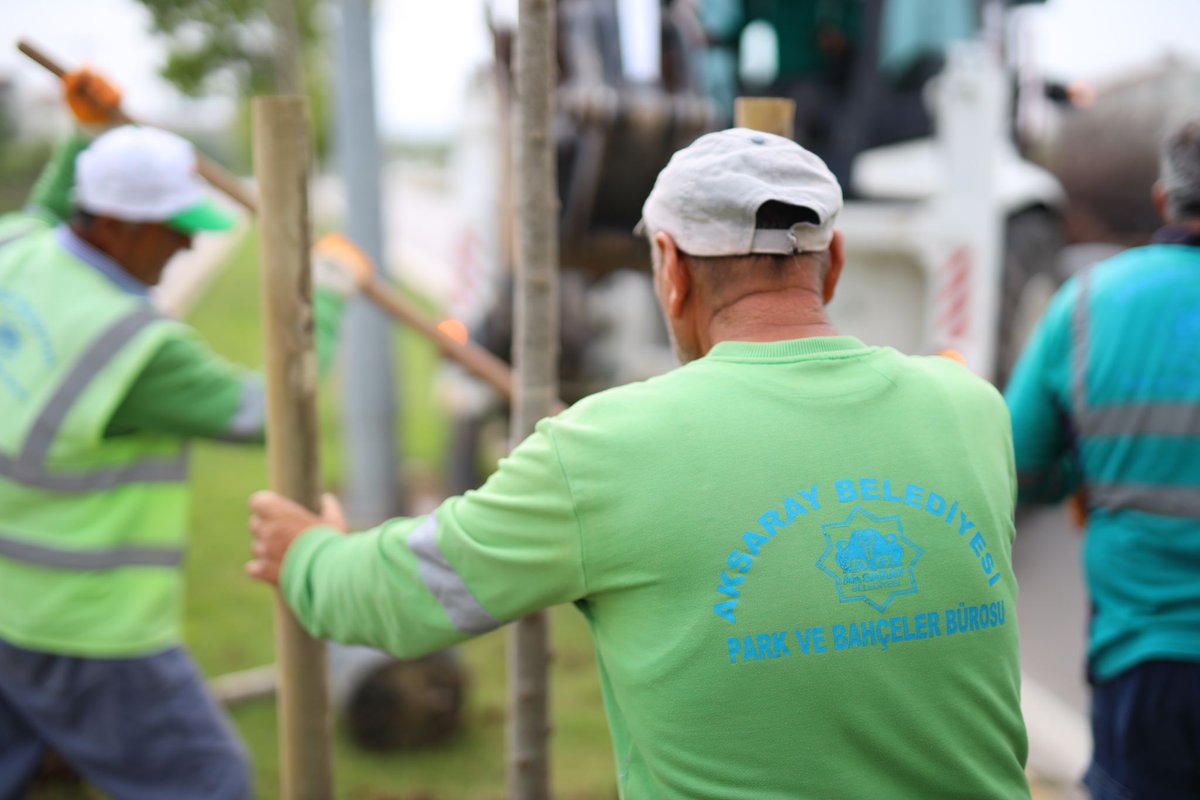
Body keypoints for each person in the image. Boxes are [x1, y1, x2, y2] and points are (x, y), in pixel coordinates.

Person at [249, 128, 1030, 798]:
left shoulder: (604, 451)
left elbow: (406, 596)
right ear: (835, 262)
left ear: (671, 266)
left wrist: (307, 555)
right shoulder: (970, 408)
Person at [0, 71, 365, 799]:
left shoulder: (16, 247)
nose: (185, 248)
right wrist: (325, 295)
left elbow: (48, 207)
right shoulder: (130, 347)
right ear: (118, 226)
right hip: (86, 626)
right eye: (174, 230)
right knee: (210, 784)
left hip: (10, 598)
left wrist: (84, 133)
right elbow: (270, 410)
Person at [1005, 118, 1200, 799]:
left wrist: (1082, 474)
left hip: (1144, 662)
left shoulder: (1088, 303)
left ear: (1161, 200)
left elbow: (1017, 464)